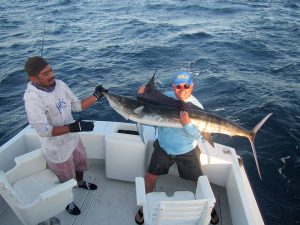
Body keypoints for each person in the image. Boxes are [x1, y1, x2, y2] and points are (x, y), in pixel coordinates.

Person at [23, 56, 105, 216]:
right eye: (46, 74)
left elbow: (77, 106)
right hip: (56, 148)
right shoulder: (32, 99)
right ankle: (68, 201)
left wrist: (96, 96)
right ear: (33, 78)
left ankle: (80, 183)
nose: (51, 75)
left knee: (81, 163)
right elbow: (43, 130)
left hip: (73, 138)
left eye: (51, 70)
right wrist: (74, 126)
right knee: (65, 179)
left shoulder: (59, 84)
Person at [134, 71, 219, 224]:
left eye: (186, 86)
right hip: (163, 147)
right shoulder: (165, 97)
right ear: (173, 87)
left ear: (191, 86)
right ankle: (143, 206)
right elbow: (145, 106)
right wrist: (143, 94)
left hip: (187, 151)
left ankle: (211, 209)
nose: (182, 89)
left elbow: (199, 137)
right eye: (178, 86)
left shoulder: (197, 107)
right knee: (150, 178)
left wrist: (186, 124)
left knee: (198, 181)